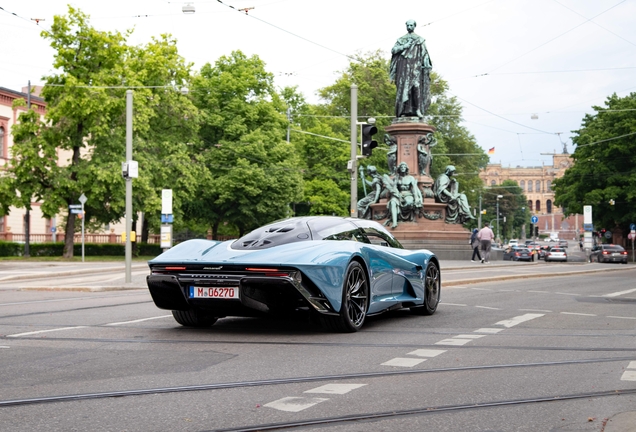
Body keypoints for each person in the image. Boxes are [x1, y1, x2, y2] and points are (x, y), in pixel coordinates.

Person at [390, 19, 432, 118]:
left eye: (411, 25)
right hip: (403, 67)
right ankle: (404, 111)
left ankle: (417, 109)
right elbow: (393, 50)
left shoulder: (420, 40)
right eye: (407, 25)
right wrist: (404, 46)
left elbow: (425, 54)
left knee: (416, 87)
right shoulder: (401, 40)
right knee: (404, 89)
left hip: (415, 67)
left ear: (414, 26)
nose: (409, 27)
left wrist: (426, 65)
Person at [384, 162, 423, 228]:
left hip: (408, 194)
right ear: (399, 169)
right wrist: (397, 195)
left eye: (404, 167)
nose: (403, 168)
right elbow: (394, 188)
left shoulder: (411, 178)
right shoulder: (396, 178)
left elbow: (414, 188)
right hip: (399, 195)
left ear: (406, 169)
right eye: (401, 167)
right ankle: (394, 222)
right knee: (393, 203)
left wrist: (417, 197)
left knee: (409, 202)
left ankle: (402, 215)